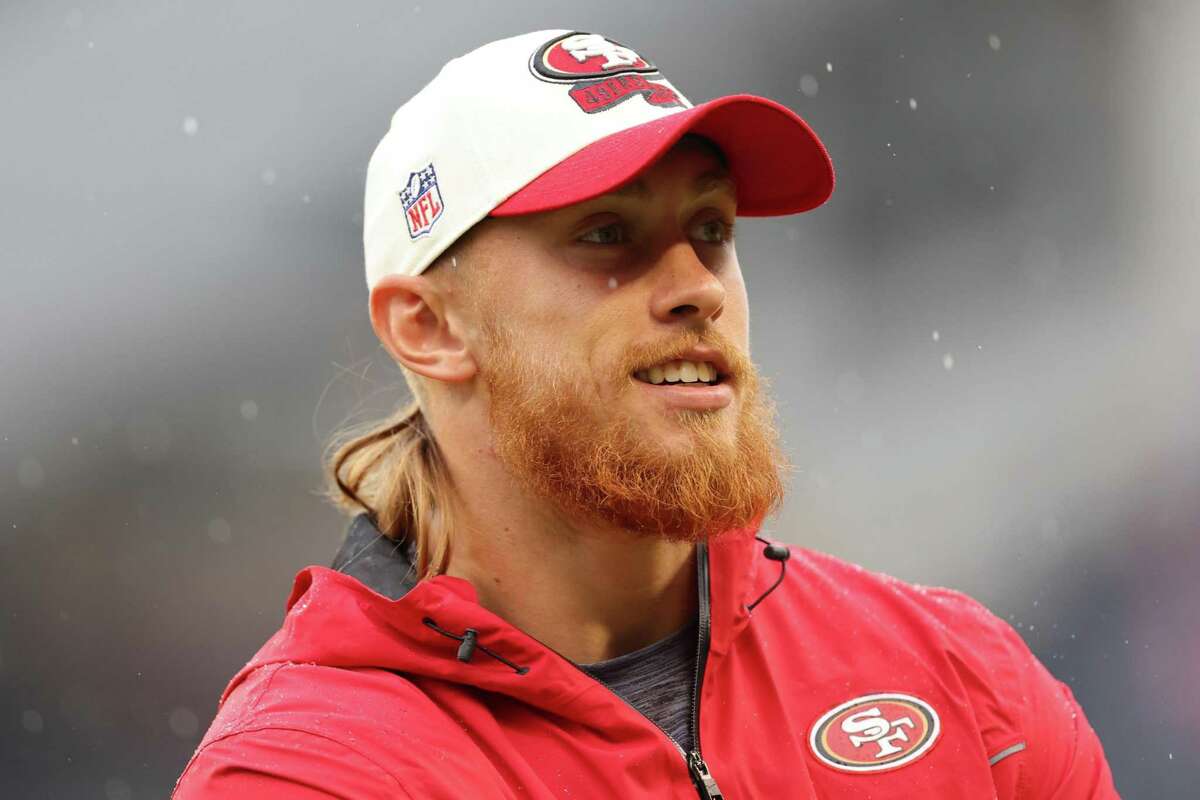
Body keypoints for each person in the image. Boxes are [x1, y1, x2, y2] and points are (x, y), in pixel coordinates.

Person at [173, 30, 1118, 799]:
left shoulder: (961, 680)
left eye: (711, 229)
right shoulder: (307, 773)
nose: (697, 287)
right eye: (608, 235)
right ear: (428, 326)